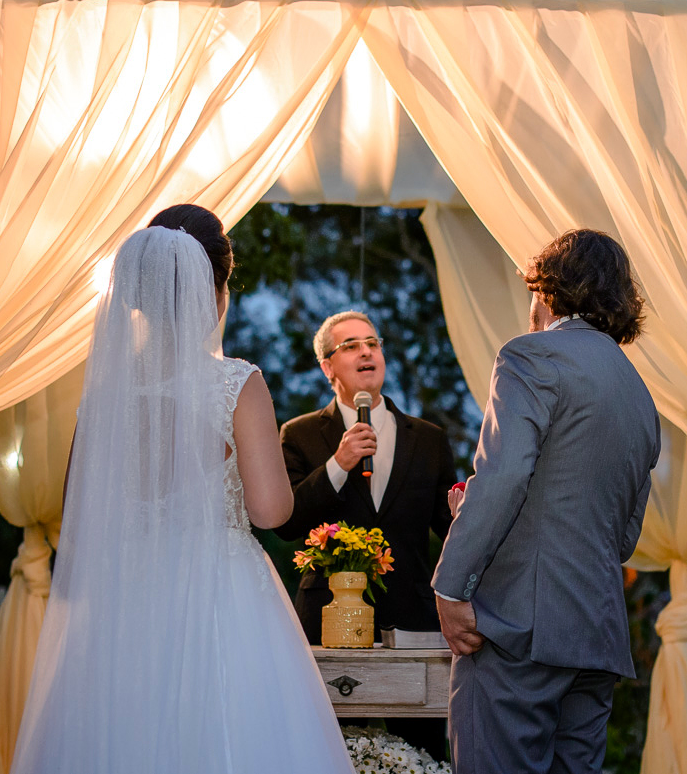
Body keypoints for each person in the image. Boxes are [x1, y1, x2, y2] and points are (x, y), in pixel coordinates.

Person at [9, 207, 353, 774]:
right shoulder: (235, 383)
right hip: (222, 598)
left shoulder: (103, 398)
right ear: (214, 292)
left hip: (125, 603)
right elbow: (271, 511)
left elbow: (79, 518)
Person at [432, 228, 661, 774]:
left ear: (548, 289)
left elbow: (503, 474)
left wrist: (451, 584)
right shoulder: (640, 394)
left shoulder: (529, 357)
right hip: (596, 635)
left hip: (519, 630)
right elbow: (622, 539)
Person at [275, 311, 456, 759]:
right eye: (351, 345)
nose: (366, 351)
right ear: (327, 366)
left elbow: (450, 529)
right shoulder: (298, 435)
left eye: (372, 343)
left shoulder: (429, 438)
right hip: (326, 618)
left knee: (423, 754)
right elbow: (287, 523)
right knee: (326, 751)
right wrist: (338, 464)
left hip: (411, 621)